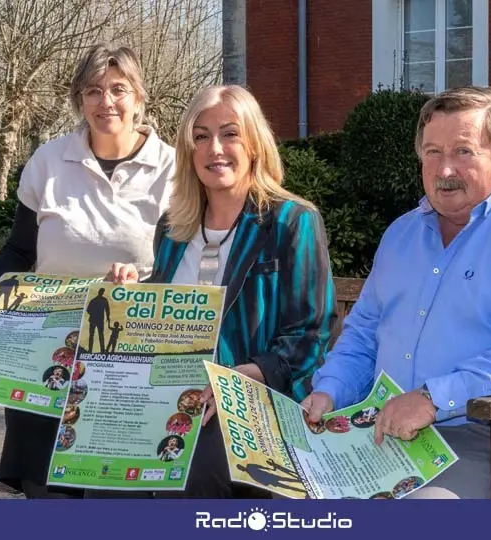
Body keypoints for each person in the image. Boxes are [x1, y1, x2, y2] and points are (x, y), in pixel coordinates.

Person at [302, 86, 491, 499]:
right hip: (394, 427)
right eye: (433, 152)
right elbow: (365, 333)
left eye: (463, 151)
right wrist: (330, 390)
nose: (444, 169)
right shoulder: (402, 234)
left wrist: (433, 398)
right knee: (292, 491)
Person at [0, 43, 176, 499]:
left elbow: (181, 267)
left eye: (119, 89)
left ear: (139, 97)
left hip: (128, 357)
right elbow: (19, 250)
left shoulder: (172, 170)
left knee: (116, 500)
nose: (106, 102)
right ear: (79, 99)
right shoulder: (47, 162)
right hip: (47, 349)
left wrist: (142, 286)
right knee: (47, 494)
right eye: (93, 91)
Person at [106, 84, 337, 498]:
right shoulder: (172, 229)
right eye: (201, 136)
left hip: (256, 403)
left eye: (230, 133)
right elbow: (163, 319)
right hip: (169, 393)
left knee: (196, 459)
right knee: (103, 464)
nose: (215, 148)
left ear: (254, 144)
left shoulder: (291, 220)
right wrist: (129, 298)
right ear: (188, 151)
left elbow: (310, 335)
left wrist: (236, 378)